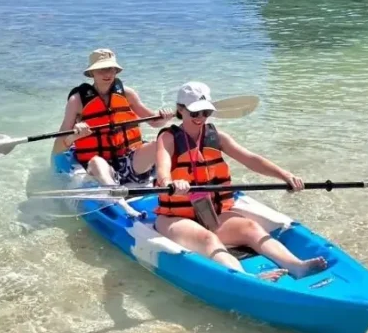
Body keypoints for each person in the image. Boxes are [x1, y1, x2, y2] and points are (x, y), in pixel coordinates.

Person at [153, 81, 328, 282]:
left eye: (206, 112)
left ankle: (297, 266)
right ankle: (247, 279)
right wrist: (171, 182)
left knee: (250, 228)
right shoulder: (168, 138)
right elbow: (162, 168)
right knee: (208, 239)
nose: (201, 118)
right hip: (175, 218)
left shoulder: (217, 137)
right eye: (195, 113)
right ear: (180, 110)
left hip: (210, 213)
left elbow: (251, 159)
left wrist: (284, 175)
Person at [51, 48, 174, 217]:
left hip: (129, 163)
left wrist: (164, 117)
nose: (107, 73)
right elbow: (58, 147)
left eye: (110, 68)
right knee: (96, 162)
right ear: (92, 73)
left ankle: (166, 187)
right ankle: (121, 203)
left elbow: (154, 121)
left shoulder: (127, 93)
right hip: (101, 169)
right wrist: (75, 135)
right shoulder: (77, 101)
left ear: (116, 70)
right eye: (101, 69)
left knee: (156, 145)